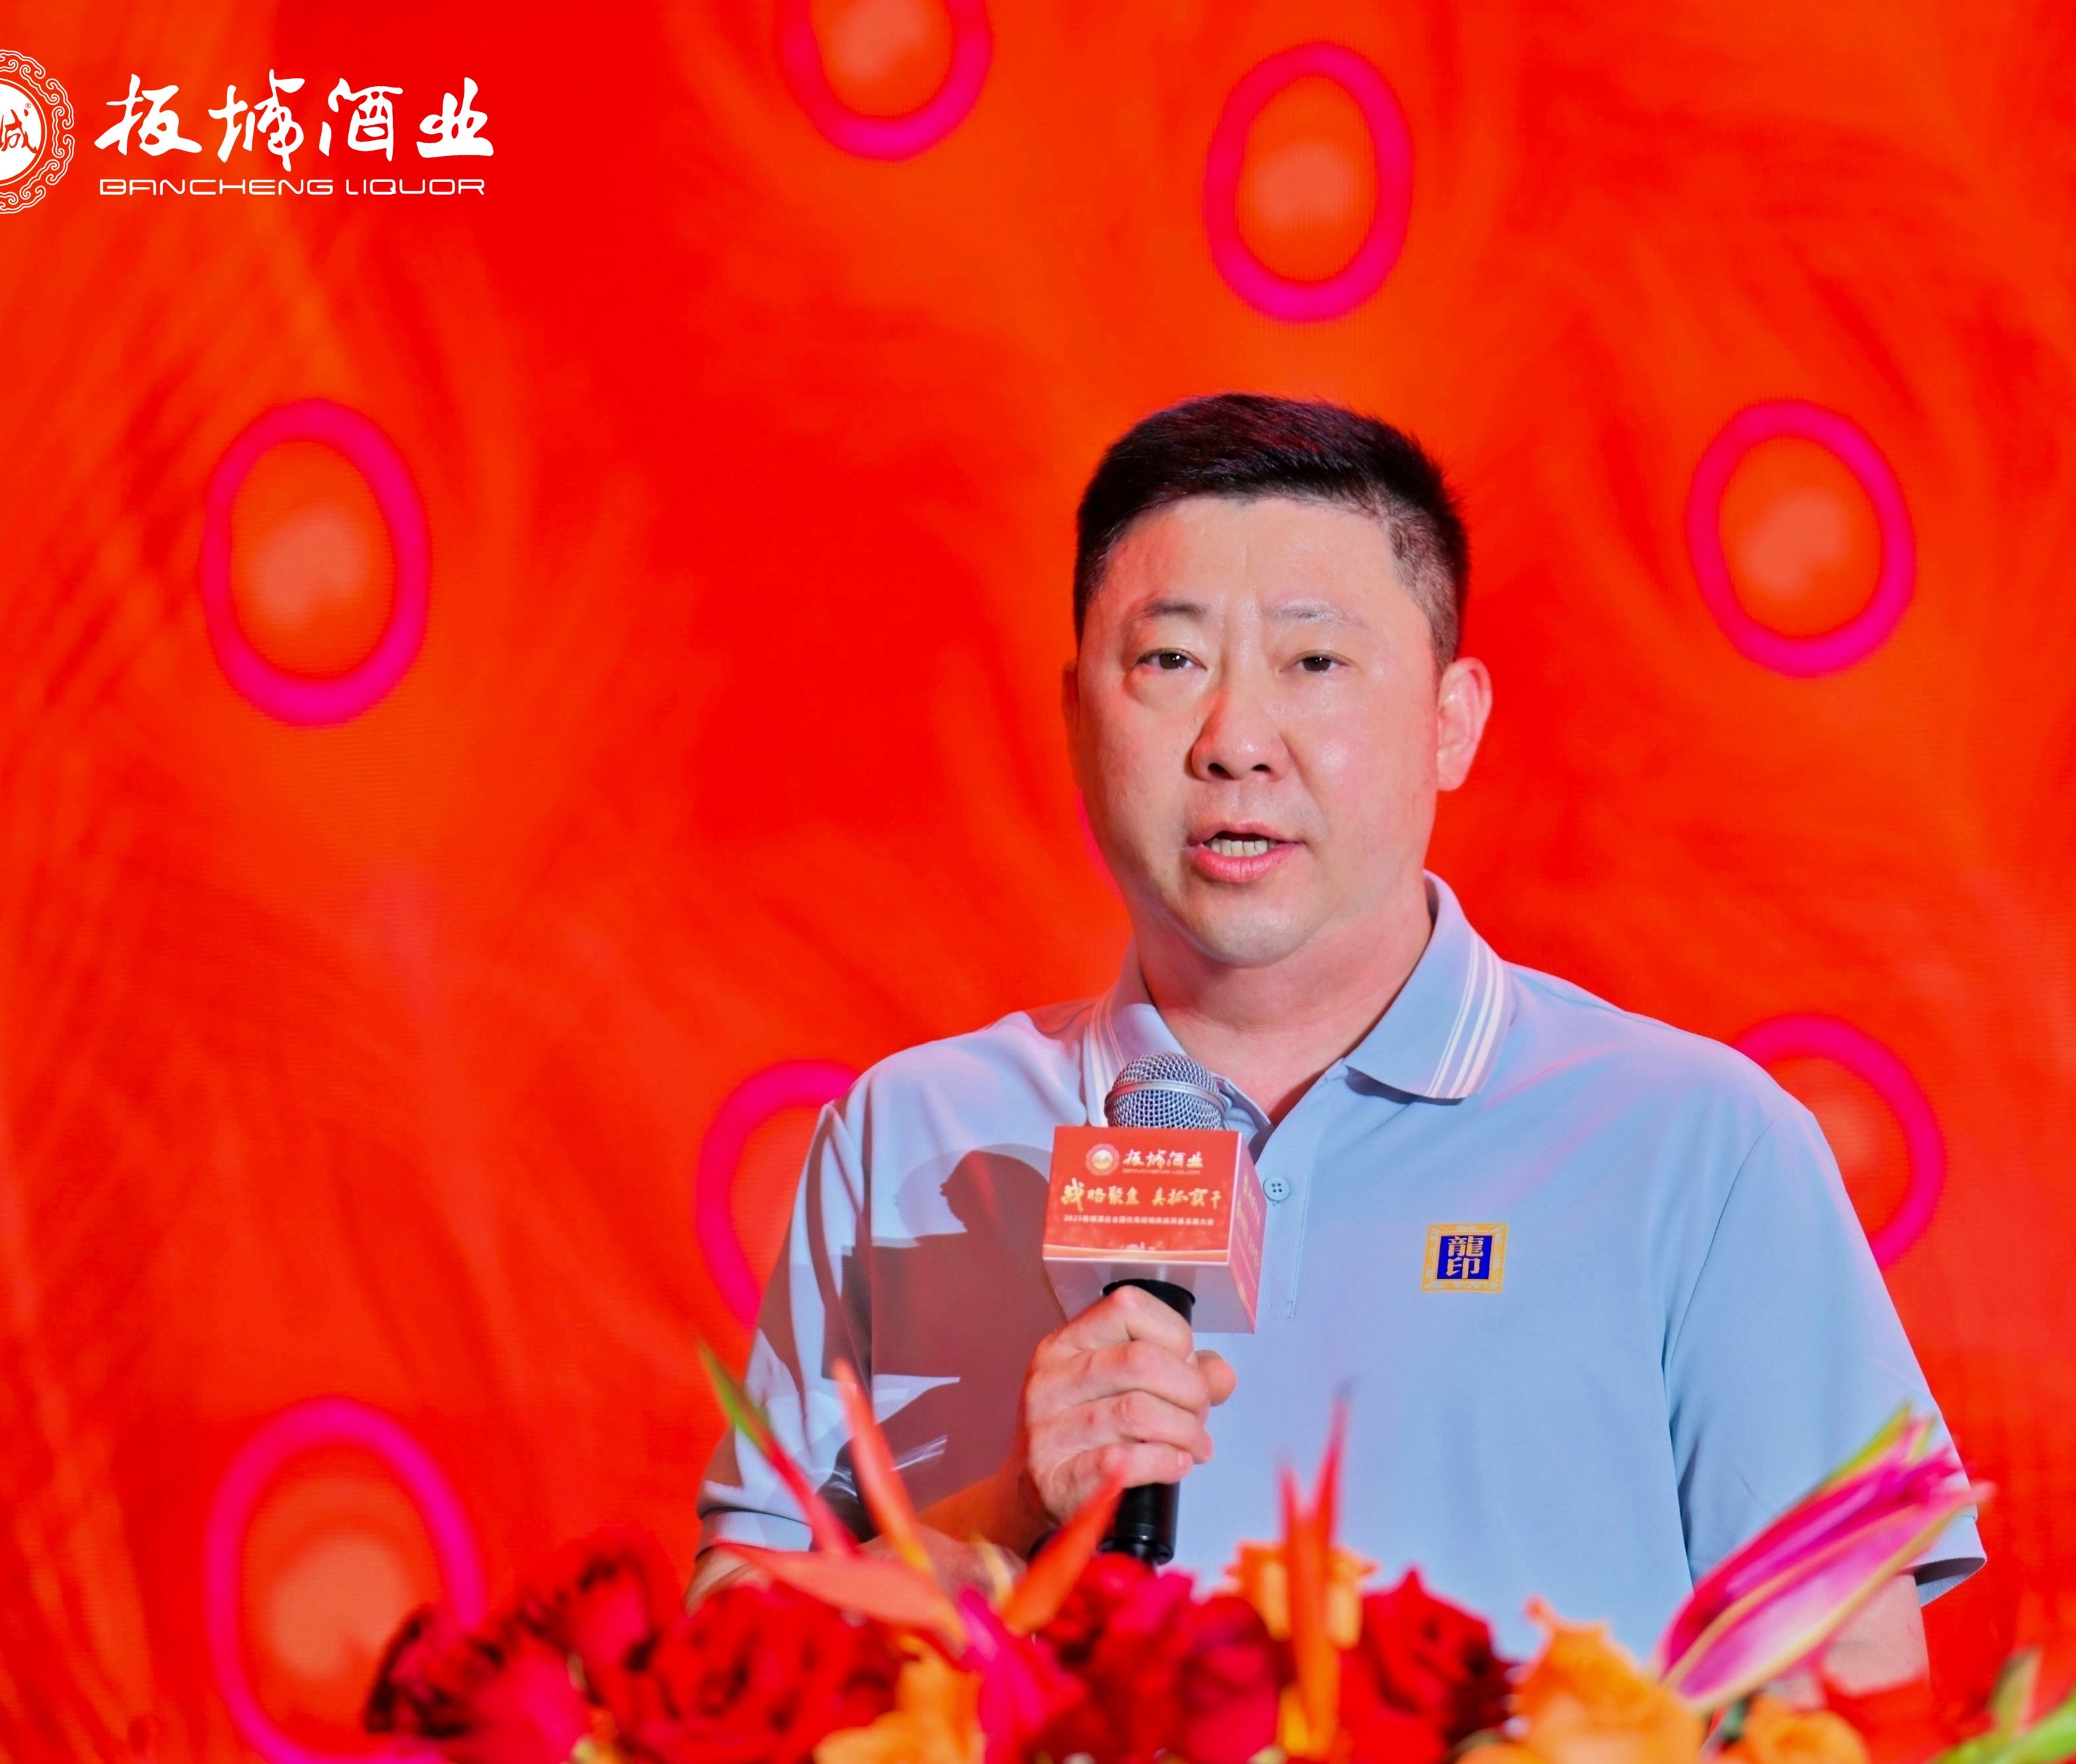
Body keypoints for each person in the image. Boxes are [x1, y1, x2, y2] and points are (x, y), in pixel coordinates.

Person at [693, 394, 1981, 1679]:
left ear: (1451, 720)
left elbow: (1852, 1681)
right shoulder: (910, 1132)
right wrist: (1003, 1511)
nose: (1234, 742)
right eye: (1169, 661)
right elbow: (726, 1655)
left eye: (1313, 663)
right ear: (1079, 719)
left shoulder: (1695, 1144)